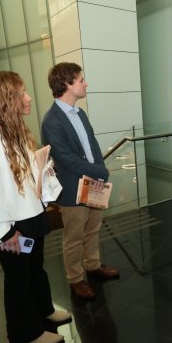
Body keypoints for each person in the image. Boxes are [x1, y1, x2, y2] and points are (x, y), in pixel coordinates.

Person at [0, 71, 71, 343]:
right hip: (13, 225)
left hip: (31, 216)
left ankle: (44, 311)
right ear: (6, 99)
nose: (28, 98)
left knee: (36, 269)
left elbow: (23, 177)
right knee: (18, 278)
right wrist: (5, 232)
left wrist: (43, 169)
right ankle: (28, 333)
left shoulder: (16, 130)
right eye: (22, 93)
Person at [41, 62, 119, 300]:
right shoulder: (51, 120)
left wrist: (100, 169)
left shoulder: (80, 113)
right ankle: (76, 279)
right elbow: (64, 158)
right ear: (67, 84)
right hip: (73, 187)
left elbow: (92, 146)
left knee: (93, 228)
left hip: (93, 181)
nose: (85, 83)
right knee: (74, 237)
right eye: (80, 79)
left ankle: (93, 265)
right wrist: (99, 172)